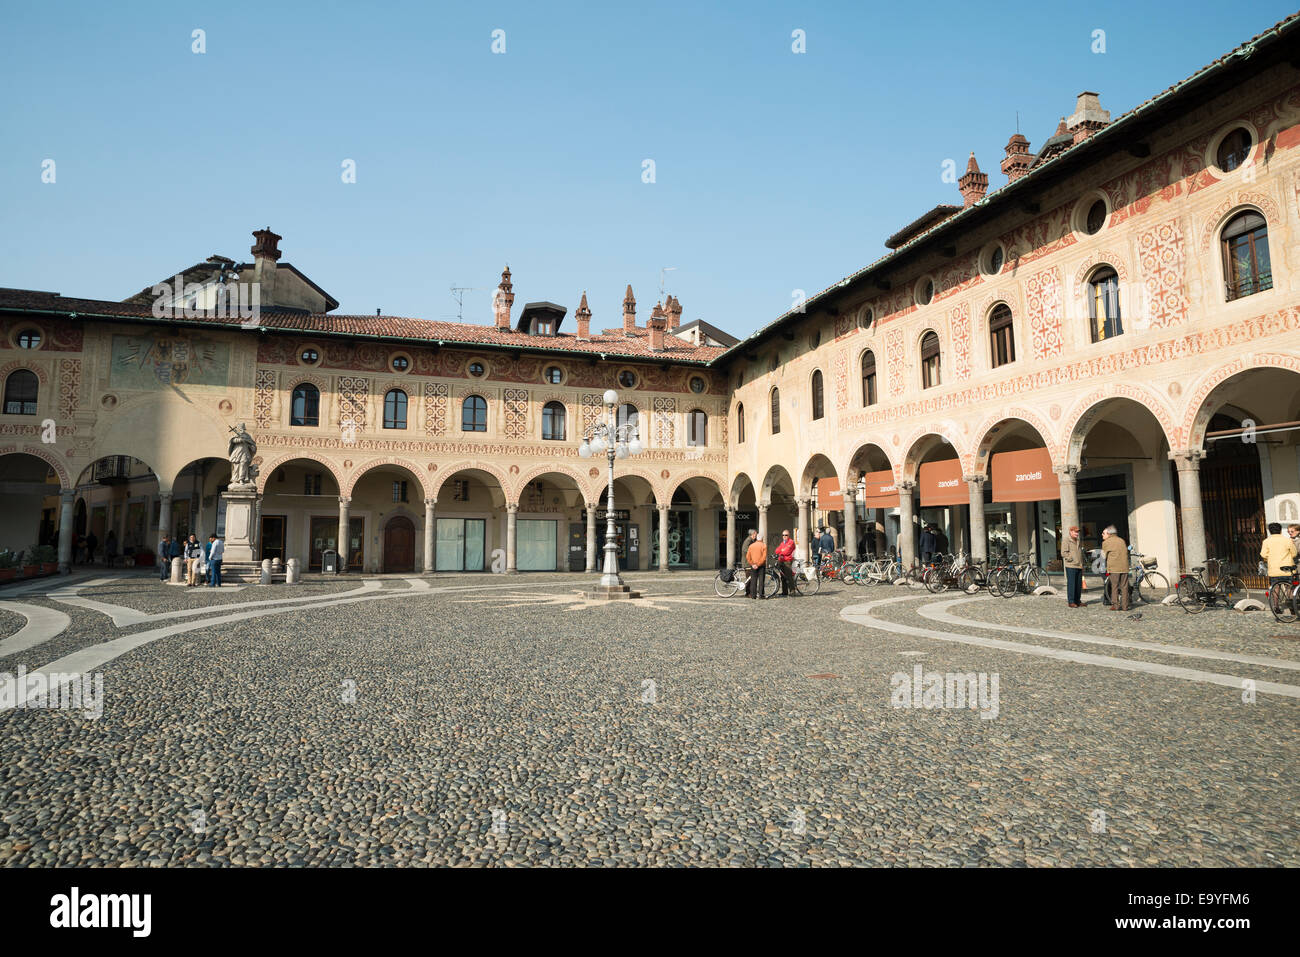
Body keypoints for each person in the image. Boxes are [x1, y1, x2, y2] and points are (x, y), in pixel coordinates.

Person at [1100, 525, 1129, 611]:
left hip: (1114, 568)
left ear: (1109, 533)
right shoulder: (1121, 540)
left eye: (1104, 533)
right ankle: (1125, 606)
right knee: (1124, 586)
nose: (1103, 535)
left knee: (1114, 586)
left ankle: (1115, 605)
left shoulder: (1106, 542)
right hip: (1124, 567)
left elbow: (1103, 556)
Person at [1260, 522, 1297, 587]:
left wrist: (1269, 557)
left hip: (1274, 570)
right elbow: (1294, 553)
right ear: (1280, 530)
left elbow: (1263, 554)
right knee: (1289, 588)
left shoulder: (1266, 541)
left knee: (1275, 588)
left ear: (1270, 531)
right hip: (1287, 570)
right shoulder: (1287, 540)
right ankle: (1291, 597)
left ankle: (1274, 597)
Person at [1061, 525, 1084, 608]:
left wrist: (1081, 563)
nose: (1077, 533)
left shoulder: (1078, 541)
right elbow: (1063, 552)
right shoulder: (1066, 540)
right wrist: (1070, 558)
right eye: (1075, 532)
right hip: (1071, 565)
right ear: (1071, 532)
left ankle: (1078, 601)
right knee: (1071, 584)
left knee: (1078, 584)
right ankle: (1071, 601)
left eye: (1078, 532)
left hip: (1079, 565)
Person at [774, 529, 797, 597]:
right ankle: (784, 591)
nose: (784, 536)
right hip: (781, 561)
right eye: (783, 535)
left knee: (789, 576)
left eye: (786, 535)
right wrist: (782, 550)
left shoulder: (791, 542)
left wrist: (781, 551)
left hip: (787, 561)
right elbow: (776, 550)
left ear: (788, 535)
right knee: (783, 577)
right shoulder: (782, 543)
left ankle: (792, 591)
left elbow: (787, 551)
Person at [745, 533, 767, 599]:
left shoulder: (751, 546)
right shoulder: (764, 545)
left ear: (757, 538)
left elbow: (748, 557)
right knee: (761, 581)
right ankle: (761, 595)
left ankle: (753, 595)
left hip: (753, 565)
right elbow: (764, 557)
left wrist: (752, 564)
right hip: (761, 565)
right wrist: (758, 564)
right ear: (762, 539)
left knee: (753, 581)